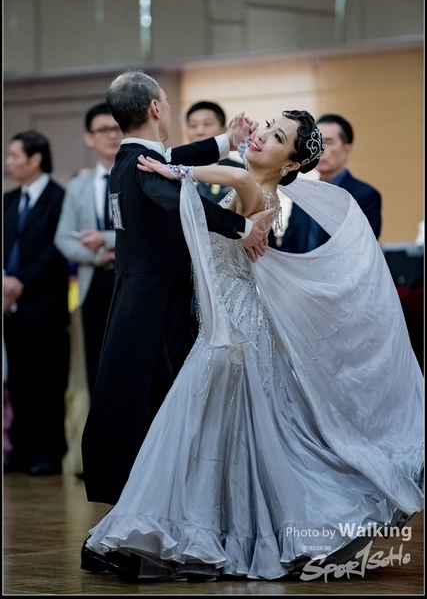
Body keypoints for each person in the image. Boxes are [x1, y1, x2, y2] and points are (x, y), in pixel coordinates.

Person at [82, 110, 423, 582]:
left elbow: (228, 175)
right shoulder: (261, 190)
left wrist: (172, 169)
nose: (262, 135)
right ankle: (210, 531)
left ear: (290, 164)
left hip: (234, 331)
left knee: (199, 431)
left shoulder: (255, 189)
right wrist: (202, 157)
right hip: (231, 326)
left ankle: (193, 532)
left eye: (276, 136)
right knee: (223, 435)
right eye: (266, 125)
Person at [80, 70, 273, 521]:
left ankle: (151, 495)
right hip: (155, 304)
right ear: (155, 108)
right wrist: (242, 228)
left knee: (135, 390)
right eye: (165, 100)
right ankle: (153, 498)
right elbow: (178, 199)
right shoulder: (144, 167)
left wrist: (227, 141)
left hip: (137, 294)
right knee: (155, 394)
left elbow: (174, 160)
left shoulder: (130, 158)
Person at [4, 130, 70, 476]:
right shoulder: (8, 200)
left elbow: (58, 249)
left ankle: (49, 452)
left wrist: (21, 282)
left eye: (15, 156)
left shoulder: (60, 198)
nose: (9, 162)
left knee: (48, 382)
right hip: (11, 308)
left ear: (36, 159)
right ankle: (20, 450)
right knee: (18, 382)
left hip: (45, 305)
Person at [54, 103, 122, 400]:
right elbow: (62, 238)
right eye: (103, 130)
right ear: (89, 138)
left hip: (132, 278)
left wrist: (105, 239)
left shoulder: (141, 175)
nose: (112, 135)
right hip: (92, 281)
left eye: (117, 128)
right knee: (96, 365)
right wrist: (99, 255)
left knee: (133, 363)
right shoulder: (78, 185)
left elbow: (150, 232)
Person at [270, 113, 382, 252]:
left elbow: (361, 250)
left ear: (346, 150)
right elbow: (289, 245)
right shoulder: (303, 195)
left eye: (328, 142)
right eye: (316, 142)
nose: (320, 149)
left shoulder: (365, 196)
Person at [185, 100, 245, 203]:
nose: (199, 131)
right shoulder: (175, 172)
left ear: (224, 130)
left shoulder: (241, 172)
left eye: (207, 124)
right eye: (193, 125)